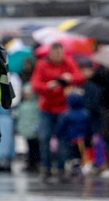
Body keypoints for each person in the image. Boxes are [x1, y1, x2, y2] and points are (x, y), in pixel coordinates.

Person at [30, 43, 86, 180]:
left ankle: (61, 167)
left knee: (63, 139)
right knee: (44, 137)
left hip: (63, 108)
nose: (58, 56)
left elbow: (81, 77)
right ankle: (46, 166)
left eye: (60, 53)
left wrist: (70, 78)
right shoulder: (42, 64)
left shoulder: (69, 63)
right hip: (46, 108)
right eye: (55, 53)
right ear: (50, 53)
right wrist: (48, 86)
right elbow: (35, 84)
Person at [13, 83, 42, 173]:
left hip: (33, 130)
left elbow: (37, 117)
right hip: (26, 130)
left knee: (35, 147)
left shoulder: (37, 105)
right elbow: (19, 118)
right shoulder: (22, 105)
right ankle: (31, 163)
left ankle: (35, 163)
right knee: (29, 146)